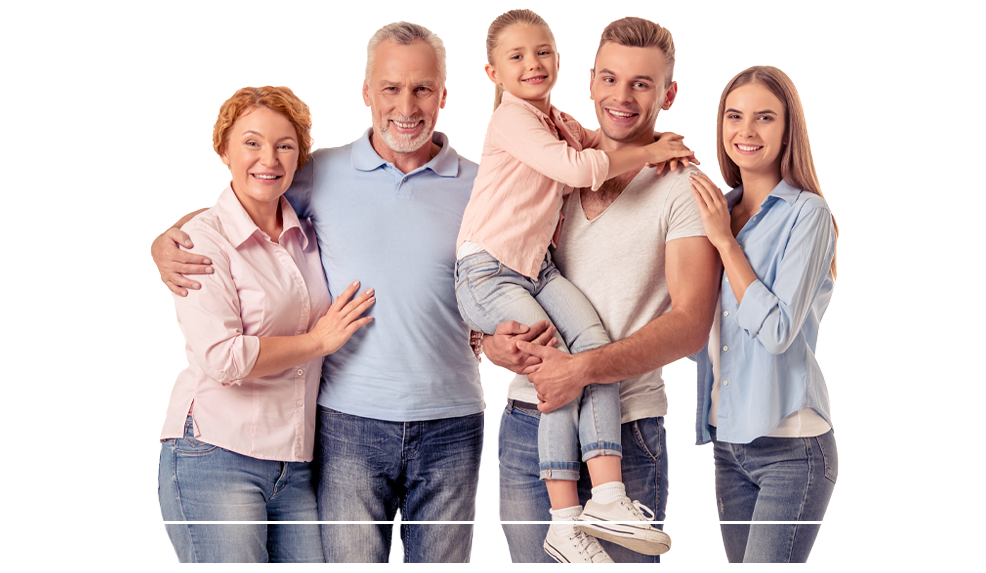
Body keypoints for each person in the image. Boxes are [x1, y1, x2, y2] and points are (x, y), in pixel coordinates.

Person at [151, 22, 485, 566]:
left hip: (447, 419)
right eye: (390, 87)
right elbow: (245, 198)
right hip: (344, 422)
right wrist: (164, 241)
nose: (406, 104)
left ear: (444, 94)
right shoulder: (319, 173)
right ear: (365, 91)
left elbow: (518, 256)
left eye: (423, 88)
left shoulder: (480, 182)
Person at [455, 9, 696, 566]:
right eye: (610, 78)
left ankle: (608, 496)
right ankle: (566, 522)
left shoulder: (671, 182)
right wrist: (489, 342)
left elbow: (689, 324)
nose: (622, 95)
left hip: (626, 420)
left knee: (587, 343)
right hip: (521, 407)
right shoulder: (531, 137)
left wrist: (659, 147)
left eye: (642, 83)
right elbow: (581, 167)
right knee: (563, 354)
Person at [156, 85, 375, 566]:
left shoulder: (309, 235)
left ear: (299, 158)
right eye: (251, 143)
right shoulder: (200, 243)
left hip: (295, 467)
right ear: (224, 150)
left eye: (285, 145)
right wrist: (317, 341)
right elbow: (223, 359)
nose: (268, 158)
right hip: (216, 455)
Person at [689, 65, 839, 566]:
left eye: (765, 118)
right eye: (734, 116)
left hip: (792, 448)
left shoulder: (808, 214)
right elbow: (701, 335)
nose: (746, 131)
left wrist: (723, 243)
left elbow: (776, 331)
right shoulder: (717, 212)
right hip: (728, 445)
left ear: (788, 129)